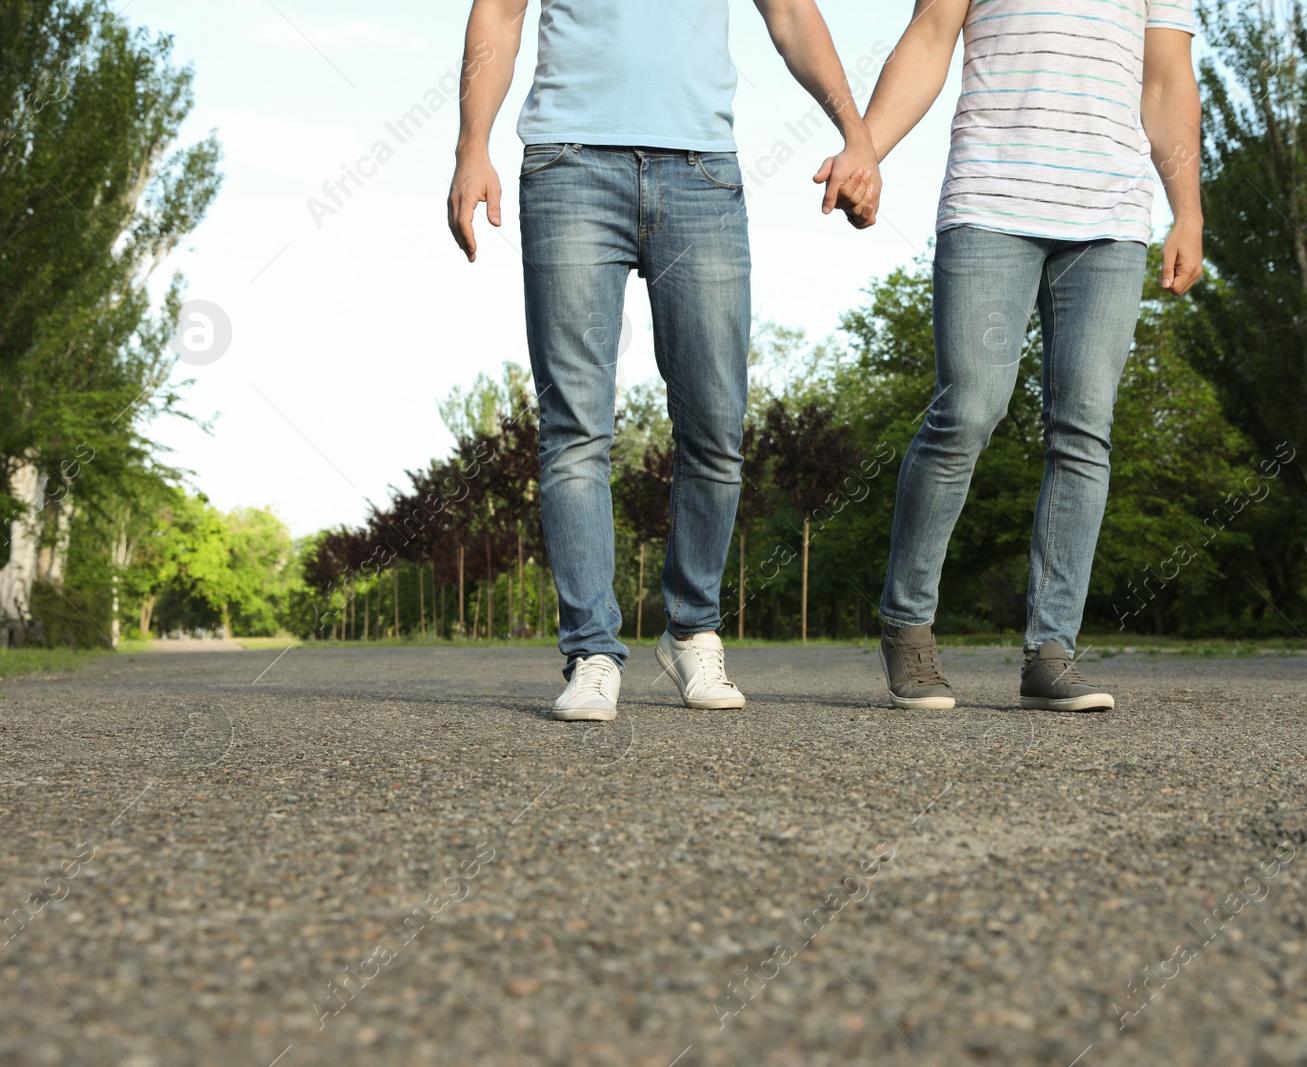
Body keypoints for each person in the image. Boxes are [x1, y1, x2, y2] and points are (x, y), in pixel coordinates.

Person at [447, 0, 882, 721]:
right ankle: (591, 650)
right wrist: (472, 145)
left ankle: (691, 629)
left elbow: (793, 17)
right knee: (576, 426)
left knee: (715, 424)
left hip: (701, 174)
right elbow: (498, 13)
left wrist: (857, 134)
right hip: (569, 164)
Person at [836, 0, 1203, 712]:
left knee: (1083, 427)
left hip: (1110, 221)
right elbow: (931, 37)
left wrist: (1186, 209)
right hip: (991, 202)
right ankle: (907, 623)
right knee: (968, 409)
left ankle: (1051, 651)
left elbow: (1165, 82)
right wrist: (866, 149)